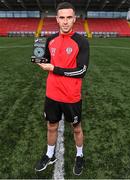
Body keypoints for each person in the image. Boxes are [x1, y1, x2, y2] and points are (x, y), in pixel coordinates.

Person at [35, 2, 90, 176]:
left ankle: (80, 155)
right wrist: (38, 59)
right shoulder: (49, 39)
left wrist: (54, 69)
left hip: (71, 95)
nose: (65, 21)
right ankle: (50, 155)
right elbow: (42, 59)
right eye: (62, 18)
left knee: (76, 128)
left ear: (74, 19)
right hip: (52, 94)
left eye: (69, 17)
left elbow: (82, 71)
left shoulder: (81, 42)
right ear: (57, 19)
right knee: (51, 126)